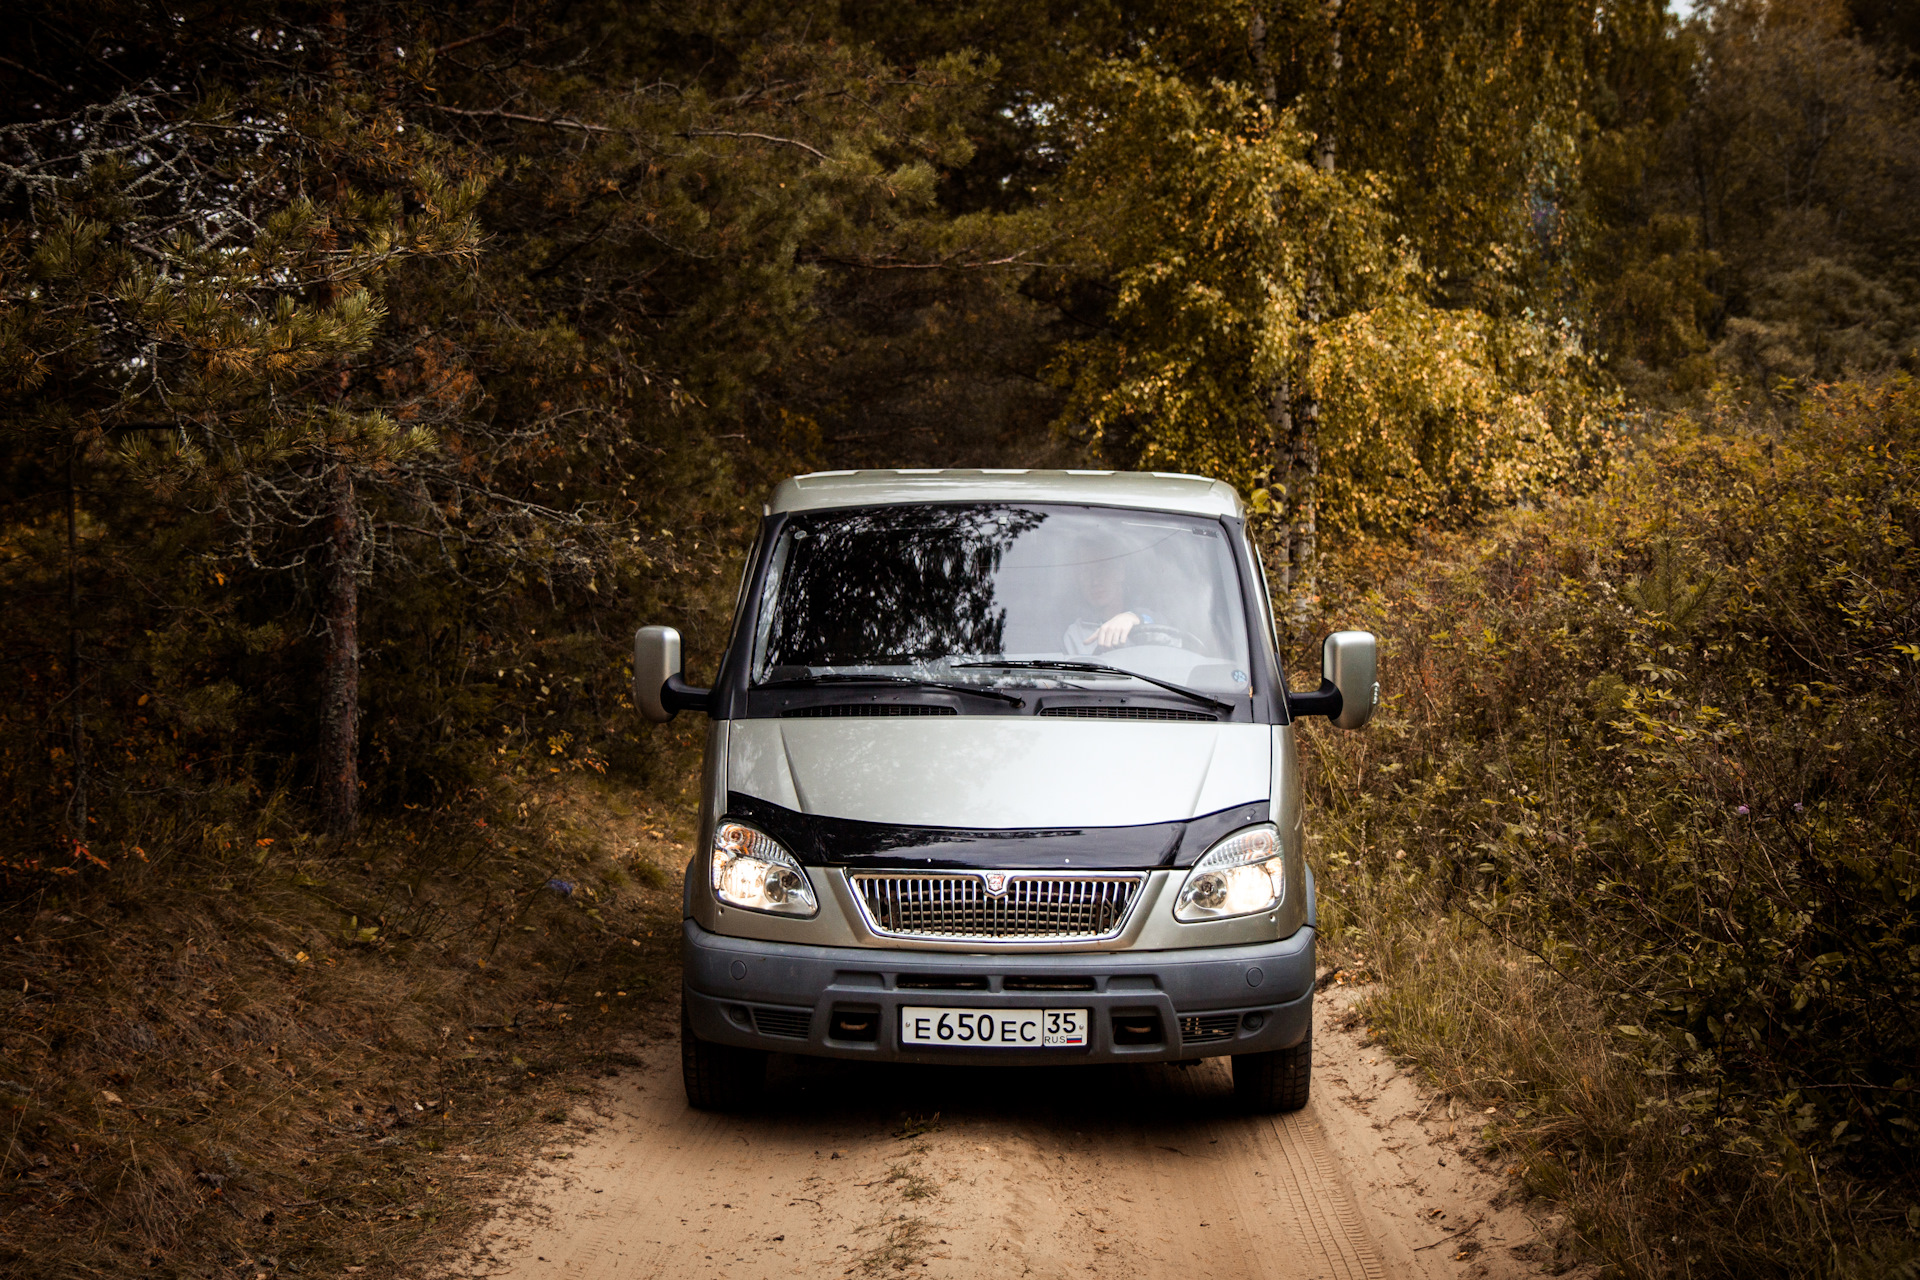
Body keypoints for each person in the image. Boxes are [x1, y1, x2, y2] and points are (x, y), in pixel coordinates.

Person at [1062, 547, 1160, 654]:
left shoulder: (1147, 618)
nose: (1095, 581)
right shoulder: (1074, 634)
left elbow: (1169, 628)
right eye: (1086, 571)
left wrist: (1134, 617)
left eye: (1102, 569)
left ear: (1120, 572)